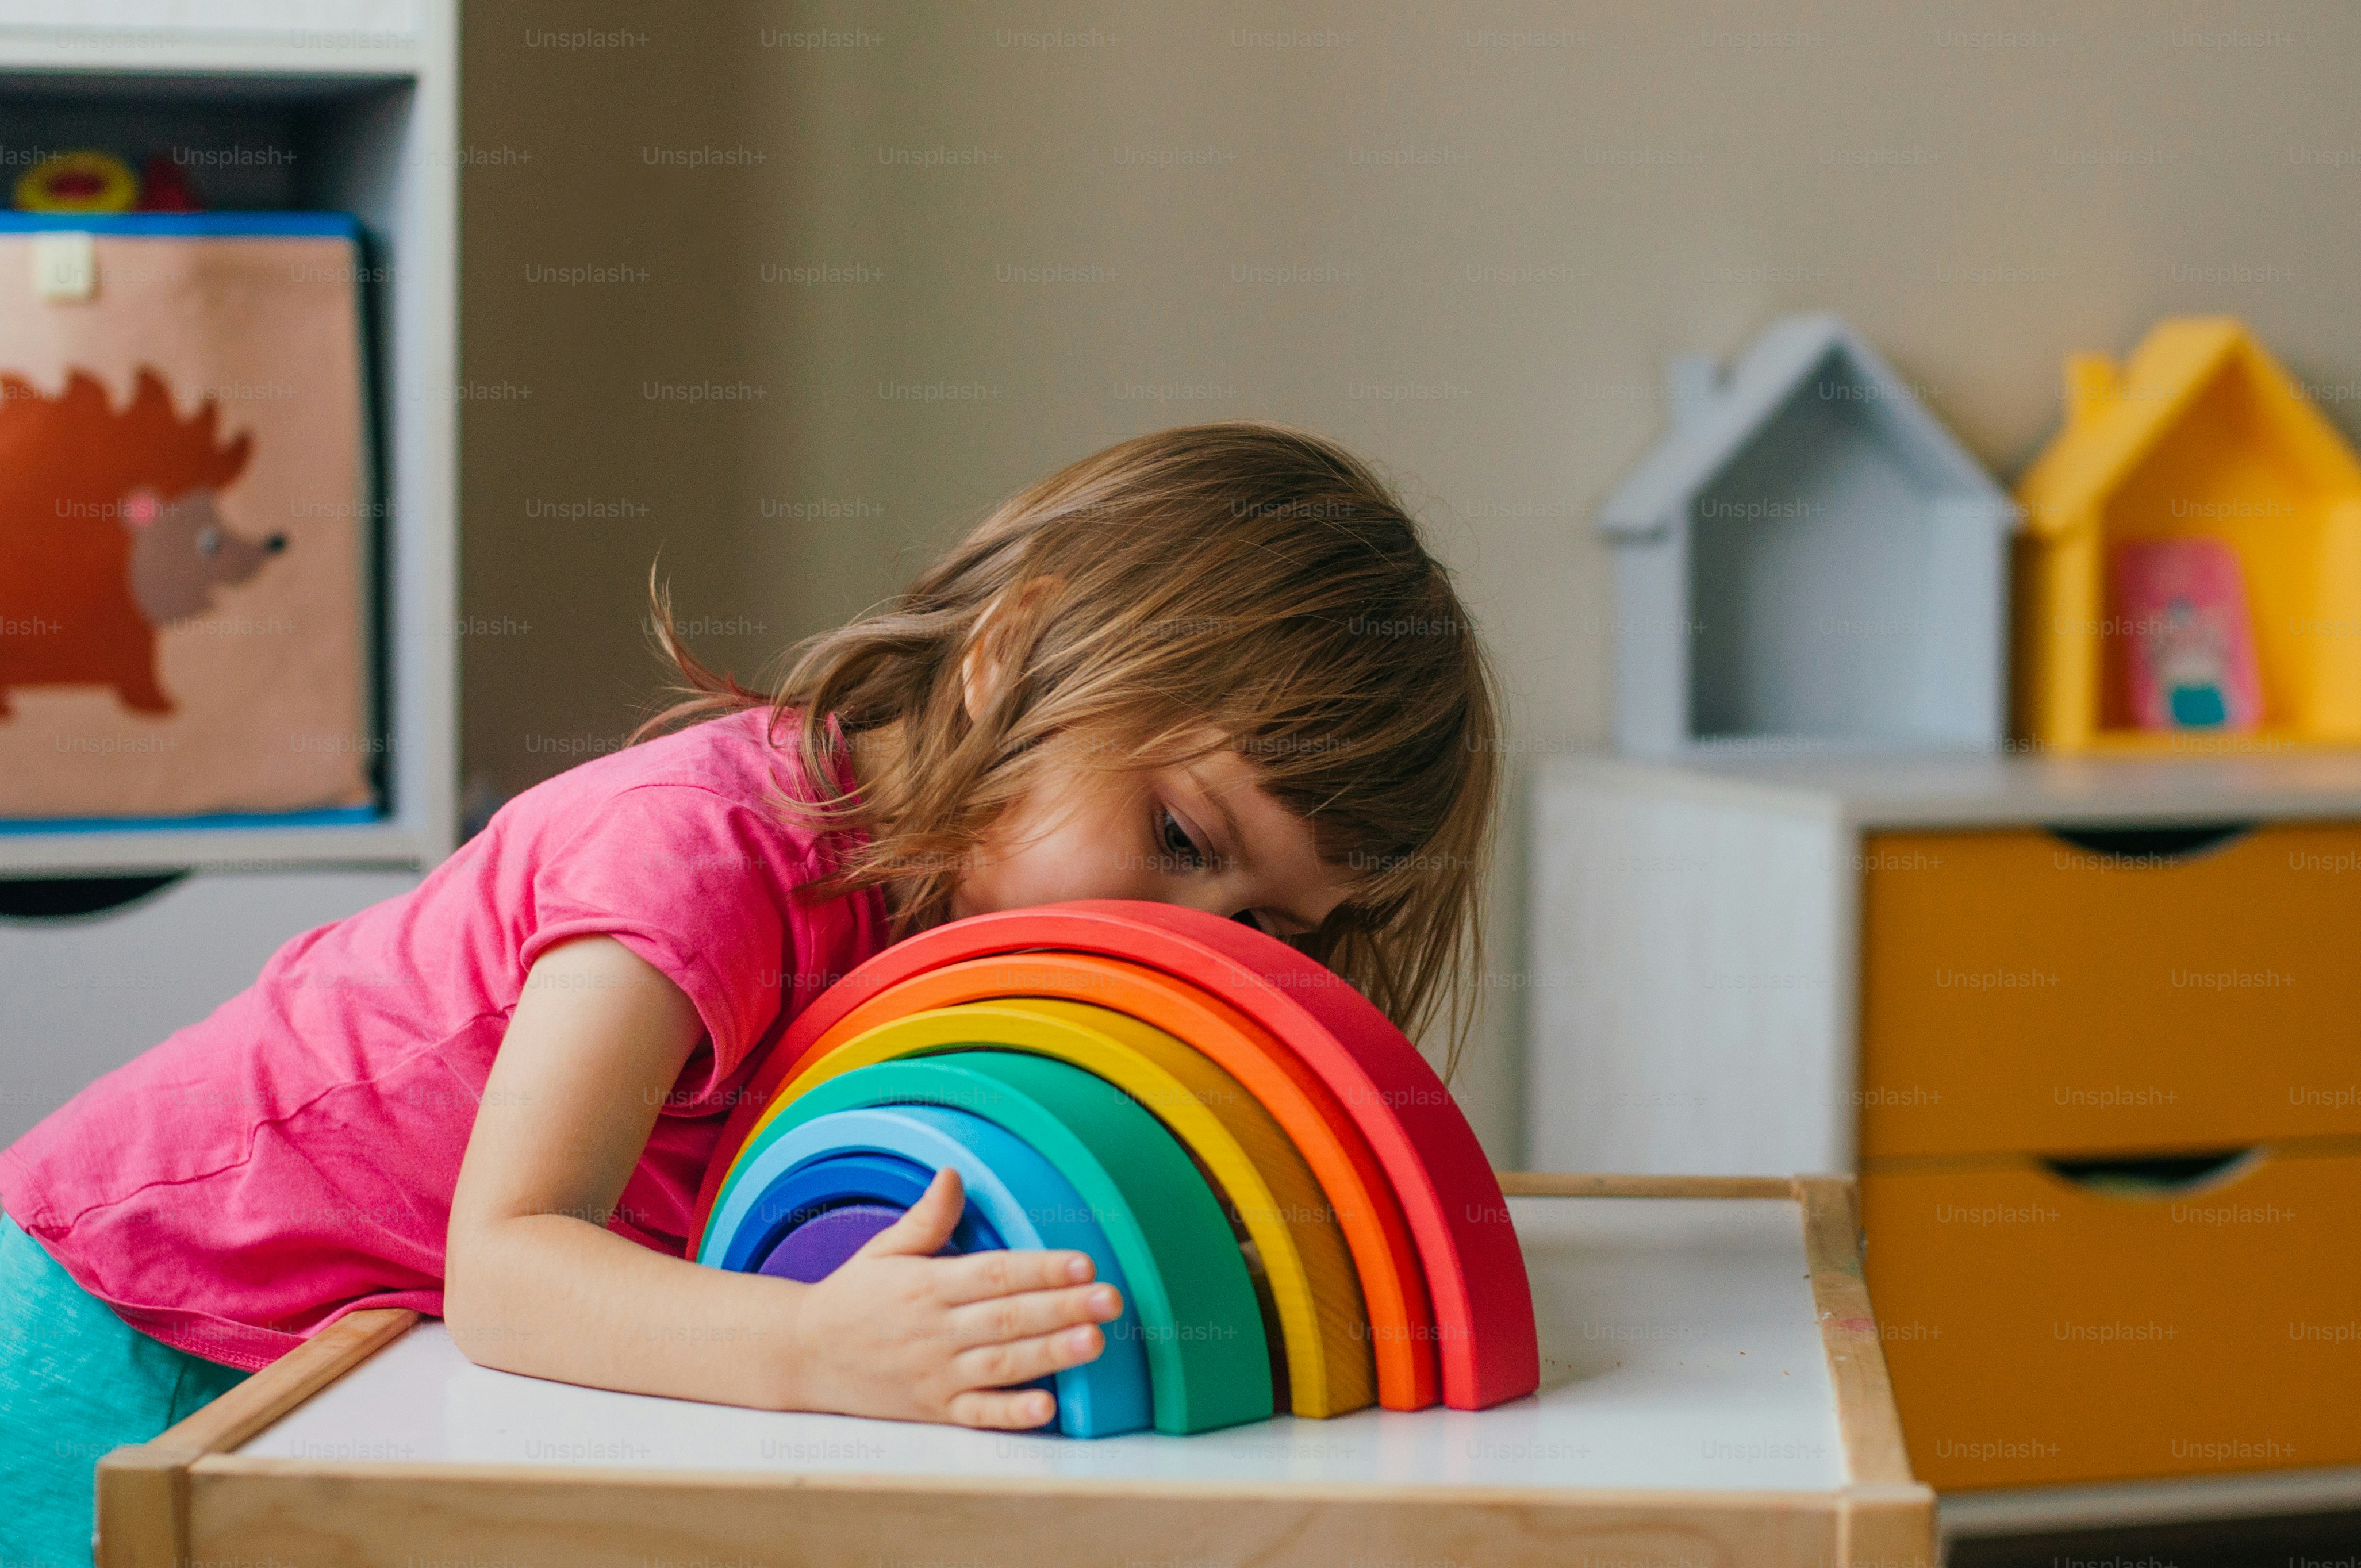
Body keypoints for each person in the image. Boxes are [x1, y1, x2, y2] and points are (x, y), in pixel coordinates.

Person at [0, 421, 1499, 1563]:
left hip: (345, 1349)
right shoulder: (706, 853)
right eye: (1179, 838)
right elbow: (512, 1264)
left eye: (1272, 927)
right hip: (123, 1300)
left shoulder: (980, 947)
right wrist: (816, 1352)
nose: (1197, 937)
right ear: (1007, 655)